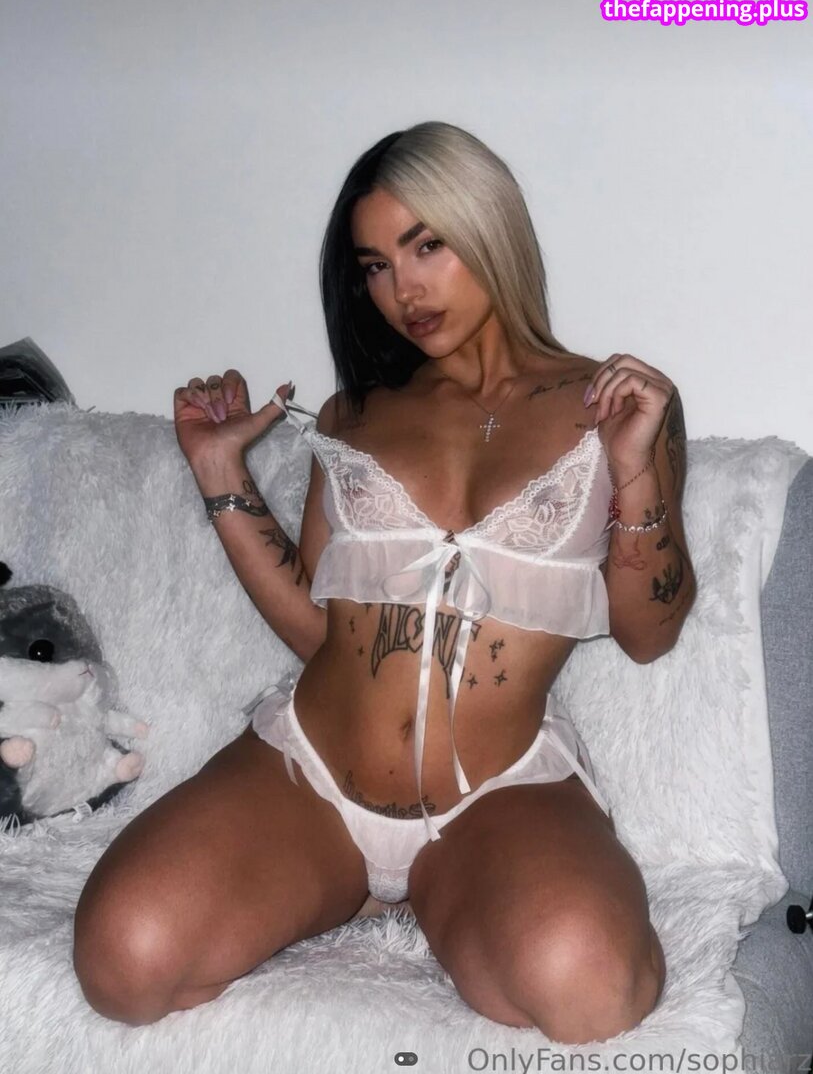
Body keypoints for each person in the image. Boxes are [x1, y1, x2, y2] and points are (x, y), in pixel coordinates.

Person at [72, 122, 695, 1045]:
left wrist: (633, 468)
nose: (402, 291)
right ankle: (344, 885)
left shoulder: (613, 406)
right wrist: (219, 473)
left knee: (592, 988)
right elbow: (318, 631)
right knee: (123, 961)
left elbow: (650, 633)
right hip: (311, 777)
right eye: (373, 266)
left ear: (489, 227)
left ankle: (448, 889)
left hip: (494, 797)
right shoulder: (354, 414)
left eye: (425, 245)